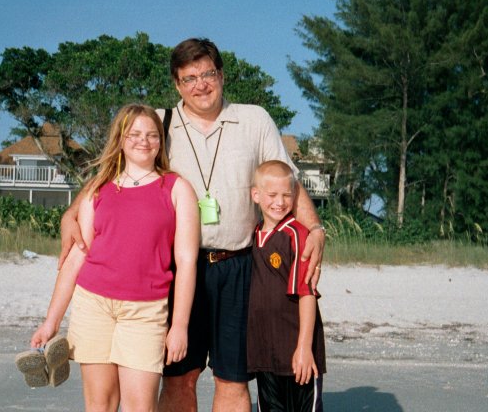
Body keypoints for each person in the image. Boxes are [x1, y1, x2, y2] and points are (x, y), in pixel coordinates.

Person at [58, 38, 326, 412]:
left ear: (222, 75)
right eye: (189, 78)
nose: (201, 85)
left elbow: (288, 182)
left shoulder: (254, 119)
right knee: (179, 378)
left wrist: (316, 229)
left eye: (208, 74)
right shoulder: (159, 122)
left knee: (232, 379)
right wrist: (70, 213)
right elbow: (114, 168)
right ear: (177, 84)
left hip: (239, 266)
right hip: (177, 271)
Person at [20, 104, 199, 411]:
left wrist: (179, 326)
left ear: (161, 141)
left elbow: (186, 262)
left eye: (152, 135)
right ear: (120, 138)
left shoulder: (177, 188)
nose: (144, 141)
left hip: (145, 312)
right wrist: (51, 323)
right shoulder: (98, 188)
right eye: (135, 134)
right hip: (94, 305)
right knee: (100, 404)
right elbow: (76, 258)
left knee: (140, 406)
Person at [248, 160, 326, 412]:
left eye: (286, 195)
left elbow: (307, 294)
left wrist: (304, 348)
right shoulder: (252, 235)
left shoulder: (297, 235)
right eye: (272, 195)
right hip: (265, 353)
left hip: (297, 352)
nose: (279, 202)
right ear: (256, 195)